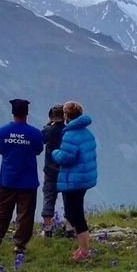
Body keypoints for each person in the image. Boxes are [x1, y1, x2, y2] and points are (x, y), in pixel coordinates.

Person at [0, 98, 44, 256]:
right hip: (28, 180)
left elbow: (0, 149)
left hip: (7, 178)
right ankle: (19, 246)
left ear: (13, 112)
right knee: (25, 214)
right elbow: (39, 150)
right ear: (27, 113)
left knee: (1, 211)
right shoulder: (35, 133)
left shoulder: (2, 132)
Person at [51, 100, 98, 261]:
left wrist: (55, 153)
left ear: (66, 115)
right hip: (84, 178)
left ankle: (84, 251)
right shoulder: (86, 132)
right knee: (76, 212)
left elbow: (67, 158)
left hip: (73, 180)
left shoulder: (70, 135)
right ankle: (82, 248)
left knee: (74, 214)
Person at [40, 104, 66, 234]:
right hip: (66, 169)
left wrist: (47, 125)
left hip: (50, 170)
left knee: (49, 197)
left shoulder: (48, 130)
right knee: (68, 198)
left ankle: (48, 228)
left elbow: (41, 139)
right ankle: (70, 228)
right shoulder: (67, 130)